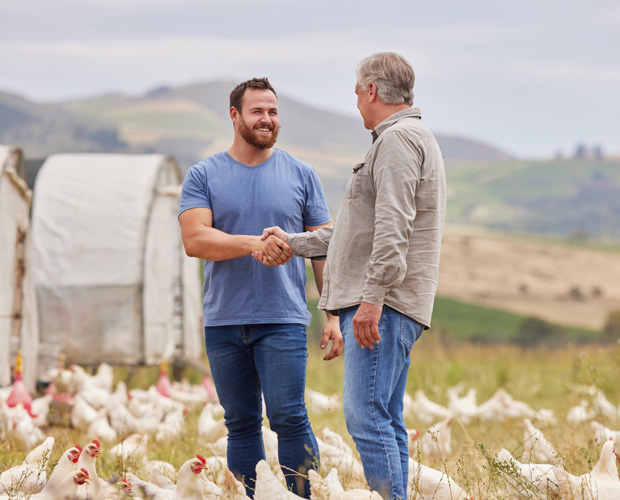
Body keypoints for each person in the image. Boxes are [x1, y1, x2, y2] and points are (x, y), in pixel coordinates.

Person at [255, 53, 447, 500]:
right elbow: (355, 231)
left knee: (364, 415)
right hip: (394, 303)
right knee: (385, 416)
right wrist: (294, 242)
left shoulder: (398, 141)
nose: (356, 99)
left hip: (385, 304)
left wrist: (372, 299)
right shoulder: (407, 137)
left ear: (373, 91)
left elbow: (393, 226)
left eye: (358, 91)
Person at [178, 77, 343, 498]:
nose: (267, 119)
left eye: (273, 111)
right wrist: (255, 244)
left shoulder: (302, 175)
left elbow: (323, 248)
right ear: (235, 116)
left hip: (283, 318)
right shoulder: (204, 175)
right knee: (241, 423)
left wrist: (332, 313)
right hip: (223, 321)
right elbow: (195, 240)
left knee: (289, 417)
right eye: (258, 111)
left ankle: (303, 495)